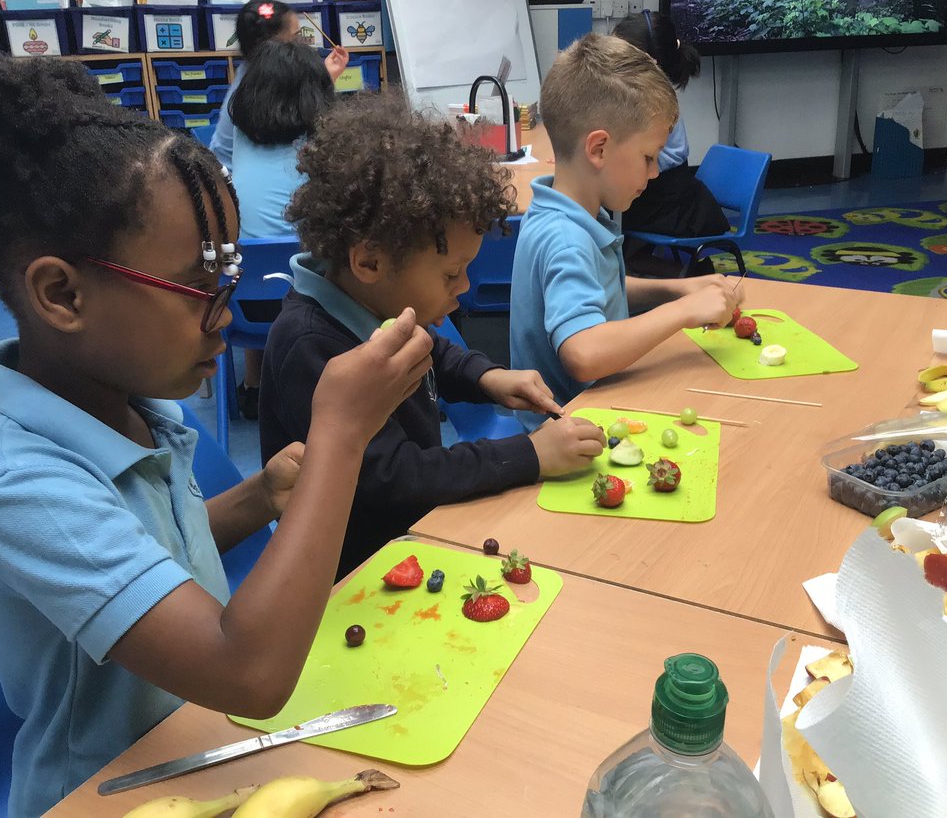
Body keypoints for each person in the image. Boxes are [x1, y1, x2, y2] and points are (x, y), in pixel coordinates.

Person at [0, 51, 432, 818]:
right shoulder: (17, 486)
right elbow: (251, 675)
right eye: (199, 289)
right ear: (62, 294)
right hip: (107, 792)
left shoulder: (133, 403)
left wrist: (257, 500)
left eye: (227, 282)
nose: (224, 315)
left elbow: (143, 554)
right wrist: (339, 435)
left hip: (196, 744)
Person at [259, 93, 606, 578]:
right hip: (365, 569)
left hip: (415, 530)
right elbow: (396, 475)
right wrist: (530, 454)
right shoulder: (310, 346)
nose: (464, 287)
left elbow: (434, 350)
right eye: (451, 274)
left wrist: (489, 378)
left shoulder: (372, 305)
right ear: (370, 261)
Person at [509, 33, 744, 429]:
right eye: (648, 157)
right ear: (598, 149)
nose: (654, 173)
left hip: (592, 413)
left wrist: (675, 288)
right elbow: (584, 354)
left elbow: (596, 287)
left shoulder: (562, 209)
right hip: (575, 431)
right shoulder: (567, 238)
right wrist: (682, 311)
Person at [227, 39, 338, 418]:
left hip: (244, 304)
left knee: (260, 256)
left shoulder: (242, 135)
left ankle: (254, 385)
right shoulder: (322, 144)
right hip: (315, 307)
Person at [611, 10, 730, 244]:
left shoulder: (654, 100)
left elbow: (658, 156)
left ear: (645, 61)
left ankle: (630, 269)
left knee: (598, 213)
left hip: (668, 203)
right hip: (653, 191)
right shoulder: (633, 91)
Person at [208, 0, 349, 171]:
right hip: (231, 181)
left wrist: (324, 77)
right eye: (296, 37)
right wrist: (323, 82)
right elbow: (309, 130)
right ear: (274, 49)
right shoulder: (259, 96)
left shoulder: (254, 79)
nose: (303, 44)